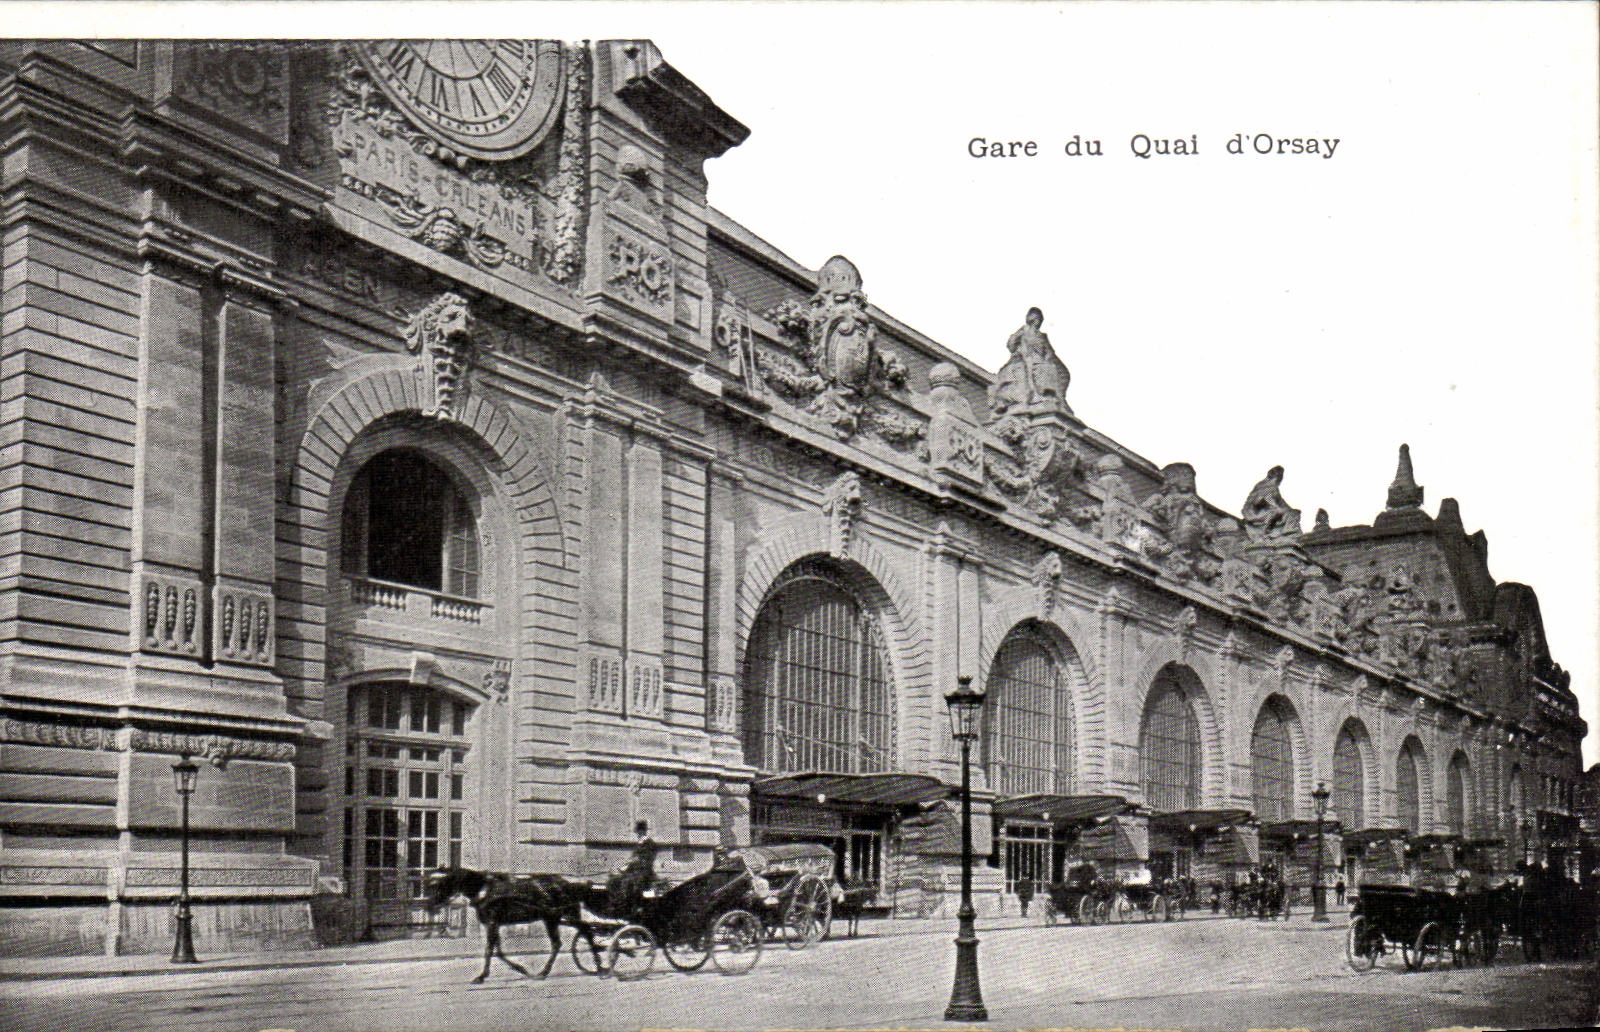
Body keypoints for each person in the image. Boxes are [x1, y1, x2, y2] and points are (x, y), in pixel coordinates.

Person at [607, 820, 659, 905]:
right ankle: (616, 902)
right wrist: (625, 866)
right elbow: (633, 858)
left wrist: (629, 865)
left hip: (644, 871)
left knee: (626, 881)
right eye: (637, 832)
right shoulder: (639, 843)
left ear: (643, 831)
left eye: (639, 832)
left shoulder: (650, 844)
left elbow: (645, 860)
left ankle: (627, 904)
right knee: (614, 879)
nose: (638, 834)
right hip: (635, 870)